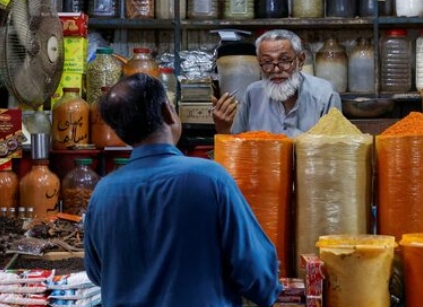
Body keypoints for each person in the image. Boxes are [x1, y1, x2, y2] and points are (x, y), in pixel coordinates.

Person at [84, 73, 281, 307]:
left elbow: (98, 273)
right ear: (167, 112)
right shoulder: (209, 177)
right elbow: (255, 271)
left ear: (119, 131)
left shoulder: (103, 192)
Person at [212, 29, 342, 137]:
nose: (275, 69)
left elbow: (333, 152)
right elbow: (238, 147)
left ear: (300, 61)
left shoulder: (325, 95)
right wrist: (223, 129)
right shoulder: (253, 93)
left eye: (284, 60)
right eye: (267, 62)